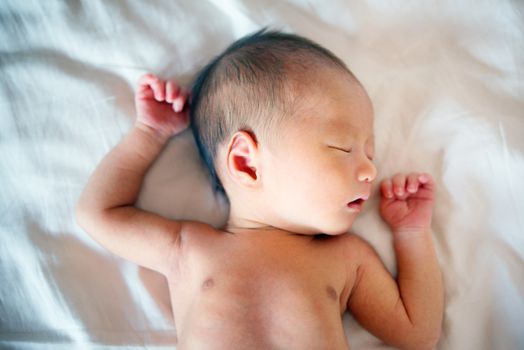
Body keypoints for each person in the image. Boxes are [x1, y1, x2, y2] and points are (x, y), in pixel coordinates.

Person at [76, 29, 443, 349]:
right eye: (342, 148)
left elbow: (417, 333)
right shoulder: (188, 249)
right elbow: (98, 215)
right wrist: (148, 135)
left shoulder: (347, 259)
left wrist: (411, 234)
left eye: (369, 152)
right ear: (246, 163)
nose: (370, 169)